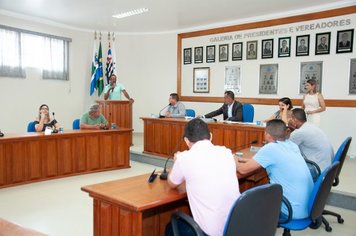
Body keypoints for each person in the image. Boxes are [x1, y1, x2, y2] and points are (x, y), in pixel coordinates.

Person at [166, 118, 240, 236]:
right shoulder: (226, 152)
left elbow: (171, 183)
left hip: (209, 233)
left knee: (171, 227)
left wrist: (177, 161)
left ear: (186, 140)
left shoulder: (184, 158)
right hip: (235, 227)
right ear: (210, 136)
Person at [237, 119, 313, 220]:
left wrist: (233, 161)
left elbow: (241, 171)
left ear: (267, 134)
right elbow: (268, 159)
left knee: (248, 202)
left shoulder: (270, 149)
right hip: (308, 207)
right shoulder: (291, 145)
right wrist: (243, 160)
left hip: (290, 211)